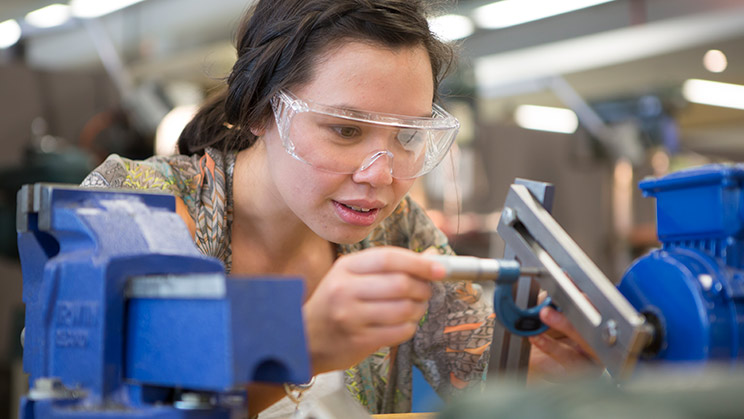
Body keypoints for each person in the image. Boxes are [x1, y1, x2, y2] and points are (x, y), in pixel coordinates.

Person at [81, 0, 596, 416]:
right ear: (259, 110)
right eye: (346, 130)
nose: (382, 174)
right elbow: (104, 402)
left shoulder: (399, 231)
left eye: (408, 136)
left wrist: (554, 369)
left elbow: (482, 377)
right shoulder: (131, 204)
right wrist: (301, 345)